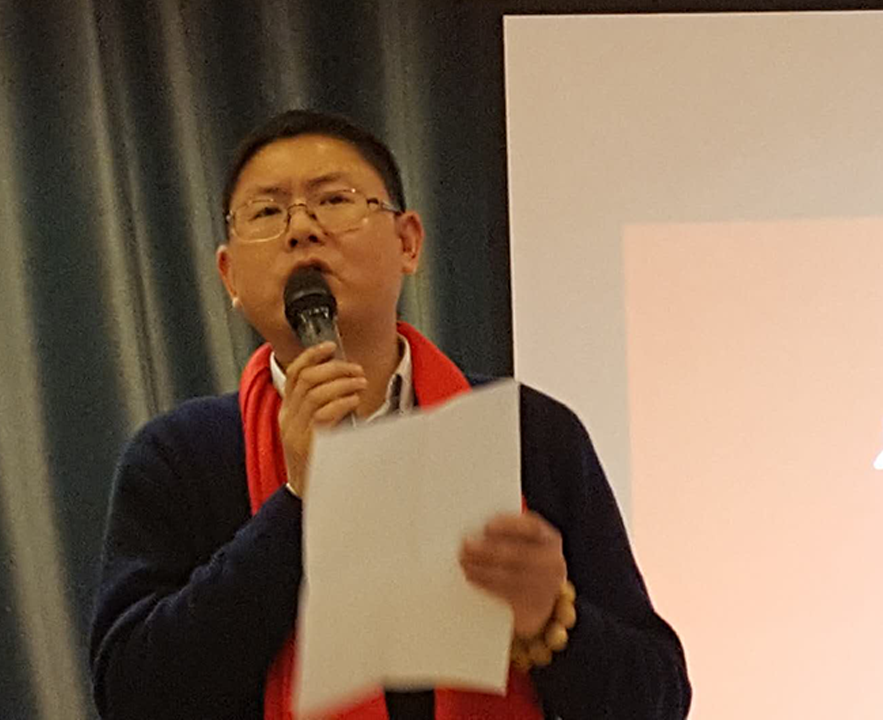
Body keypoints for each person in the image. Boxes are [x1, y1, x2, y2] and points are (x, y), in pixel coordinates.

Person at [89, 110, 692, 720]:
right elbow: (134, 696)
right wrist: (296, 504)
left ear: (407, 243)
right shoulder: (180, 455)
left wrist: (554, 626)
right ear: (230, 276)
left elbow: (659, 699)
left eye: (334, 200)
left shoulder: (527, 433)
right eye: (268, 212)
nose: (302, 230)